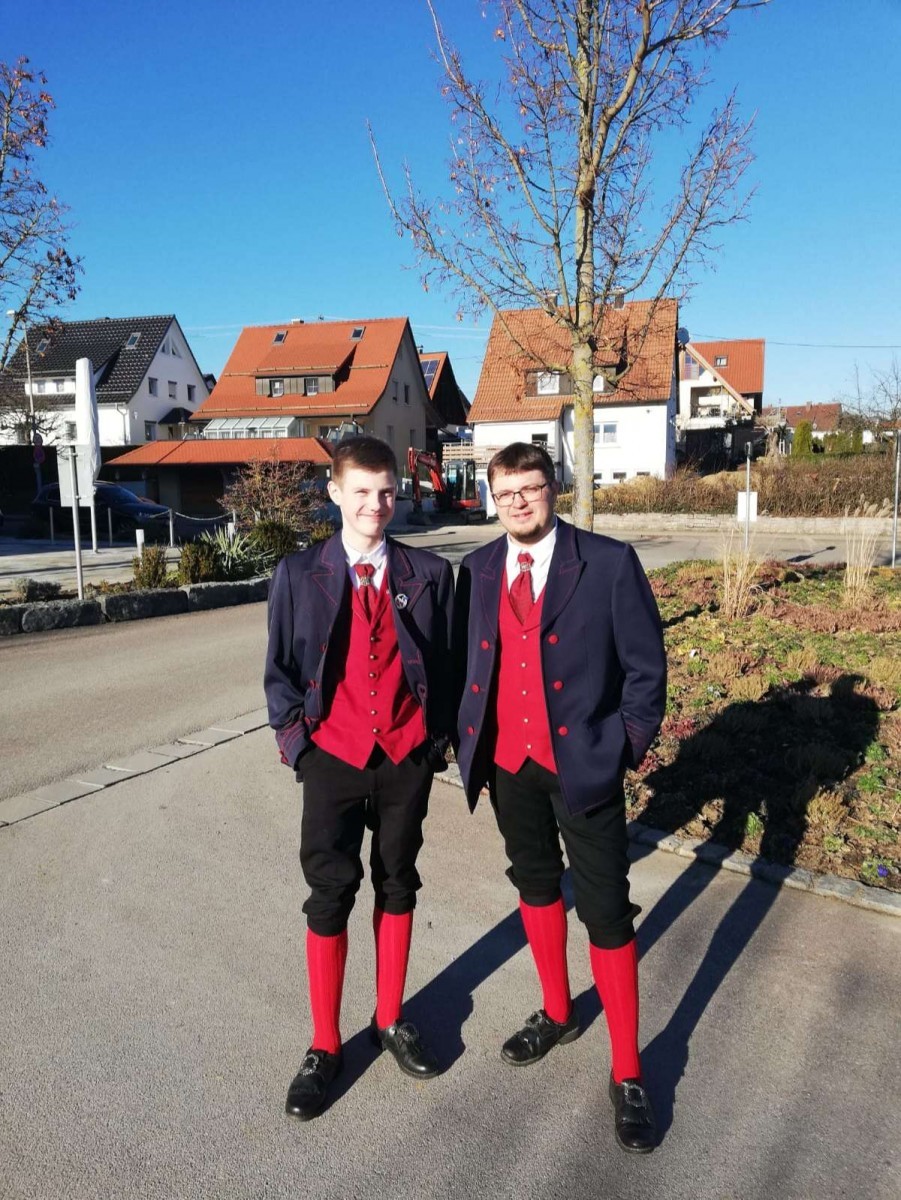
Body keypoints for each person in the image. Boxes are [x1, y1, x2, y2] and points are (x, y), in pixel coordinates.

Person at [453, 442, 666, 1153]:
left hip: (585, 766)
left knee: (605, 909)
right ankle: (557, 1011)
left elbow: (645, 669)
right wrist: (465, 738)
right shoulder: (478, 569)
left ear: (554, 488)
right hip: (509, 764)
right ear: (493, 499)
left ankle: (628, 1070)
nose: (518, 501)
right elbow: (465, 660)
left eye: (531, 488)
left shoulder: (608, 563)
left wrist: (623, 747)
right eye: (506, 492)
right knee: (536, 884)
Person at [265, 435, 454, 1121]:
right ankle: (324, 1044)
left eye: (386, 492)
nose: (376, 504)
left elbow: (448, 665)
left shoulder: (429, 573)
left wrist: (434, 746)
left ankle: (389, 1018)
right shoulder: (298, 574)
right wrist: (299, 748)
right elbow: (281, 673)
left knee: (398, 882)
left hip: (405, 759)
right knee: (329, 892)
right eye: (362, 491)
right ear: (335, 493)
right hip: (332, 759)